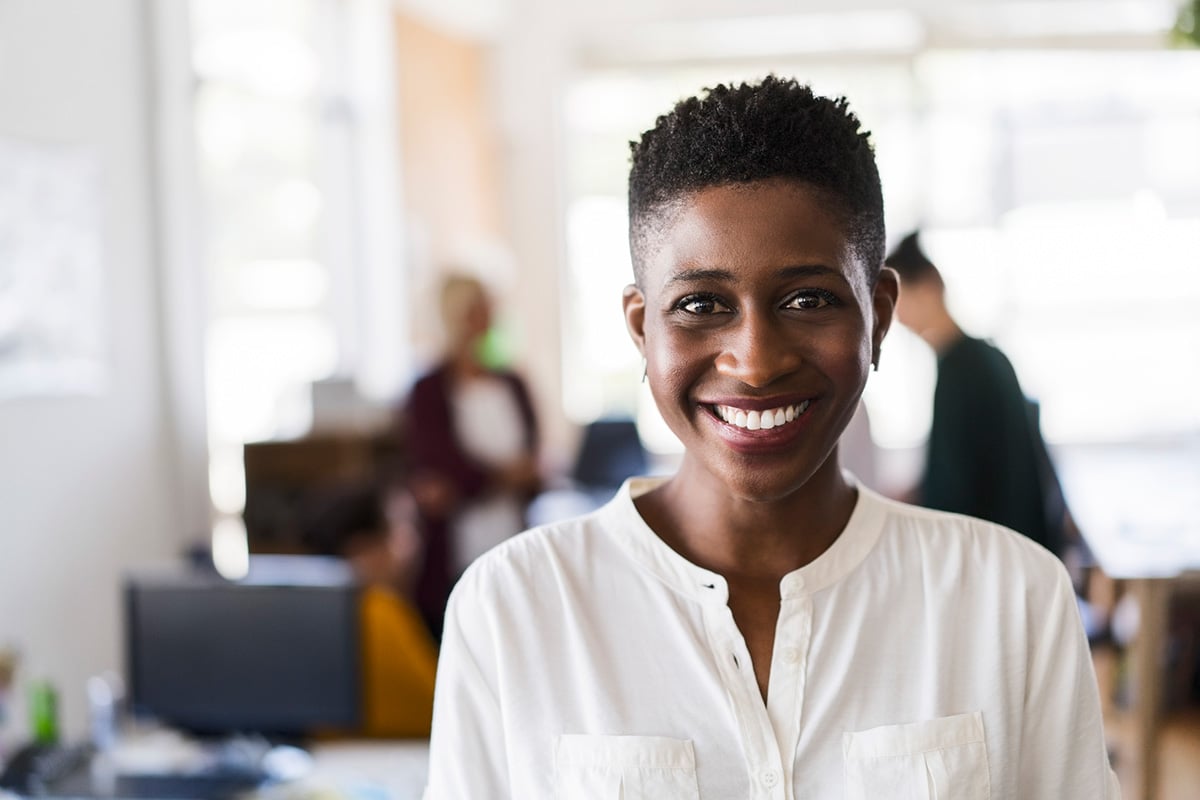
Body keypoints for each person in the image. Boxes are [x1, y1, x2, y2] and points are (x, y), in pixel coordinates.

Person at [423, 77, 1118, 798]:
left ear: (878, 317)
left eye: (807, 299)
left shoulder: (1012, 598)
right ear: (641, 328)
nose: (754, 362)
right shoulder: (515, 607)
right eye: (700, 304)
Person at [885, 231, 1064, 557]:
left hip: (995, 552)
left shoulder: (959, 370)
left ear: (929, 287)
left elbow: (953, 490)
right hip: (1021, 544)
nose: (898, 318)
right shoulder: (986, 357)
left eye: (899, 302)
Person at [402, 273, 542, 639]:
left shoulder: (512, 383)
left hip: (513, 542)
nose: (486, 317)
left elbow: (534, 465)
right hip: (454, 555)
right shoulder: (428, 390)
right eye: (475, 309)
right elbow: (442, 470)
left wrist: (474, 480)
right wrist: (501, 477)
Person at [303, 482, 438, 738]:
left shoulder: (307, 615)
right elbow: (441, 710)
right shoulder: (377, 612)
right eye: (404, 528)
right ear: (362, 547)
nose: (417, 543)